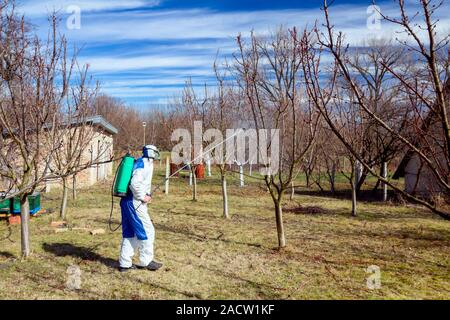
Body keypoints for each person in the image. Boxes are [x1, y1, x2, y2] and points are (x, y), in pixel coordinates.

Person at [118, 145, 162, 272]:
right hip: (134, 202)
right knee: (147, 230)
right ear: (151, 152)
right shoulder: (143, 163)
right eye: (155, 152)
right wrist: (143, 196)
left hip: (127, 201)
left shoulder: (144, 163)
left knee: (130, 233)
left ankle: (124, 263)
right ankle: (146, 261)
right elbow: (135, 182)